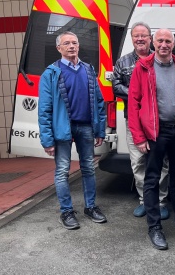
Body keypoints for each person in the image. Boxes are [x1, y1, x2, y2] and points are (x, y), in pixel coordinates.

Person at [128, 28, 175, 250]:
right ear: (153, 43)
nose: (164, 44)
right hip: (155, 132)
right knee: (152, 179)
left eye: (168, 41)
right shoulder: (143, 67)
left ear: (173, 44)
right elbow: (133, 103)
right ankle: (154, 227)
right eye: (160, 40)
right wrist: (139, 137)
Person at [38, 31, 107, 230]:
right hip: (62, 129)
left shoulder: (88, 70)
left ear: (78, 46)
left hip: (86, 126)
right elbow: (44, 109)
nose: (71, 46)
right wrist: (47, 140)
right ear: (58, 48)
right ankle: (66, 211)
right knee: (62, 171)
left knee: (88, 168)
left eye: (74, 43)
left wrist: (100, 130)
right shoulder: (51, 74)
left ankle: (91, 207)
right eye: (66, 43)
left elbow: (99, 102)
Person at [112, 22, 169, 220]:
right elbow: (116, 86)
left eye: (144, 36)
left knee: (161, 163)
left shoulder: (160, 59)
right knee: (138, 162)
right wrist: (139, 95)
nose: (140, 39)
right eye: (136, 36)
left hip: (158, 122)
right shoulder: (123, 62)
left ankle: (161, 201)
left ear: (150, 38)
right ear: (132, 38)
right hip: (134, 121)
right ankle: (145, 201)